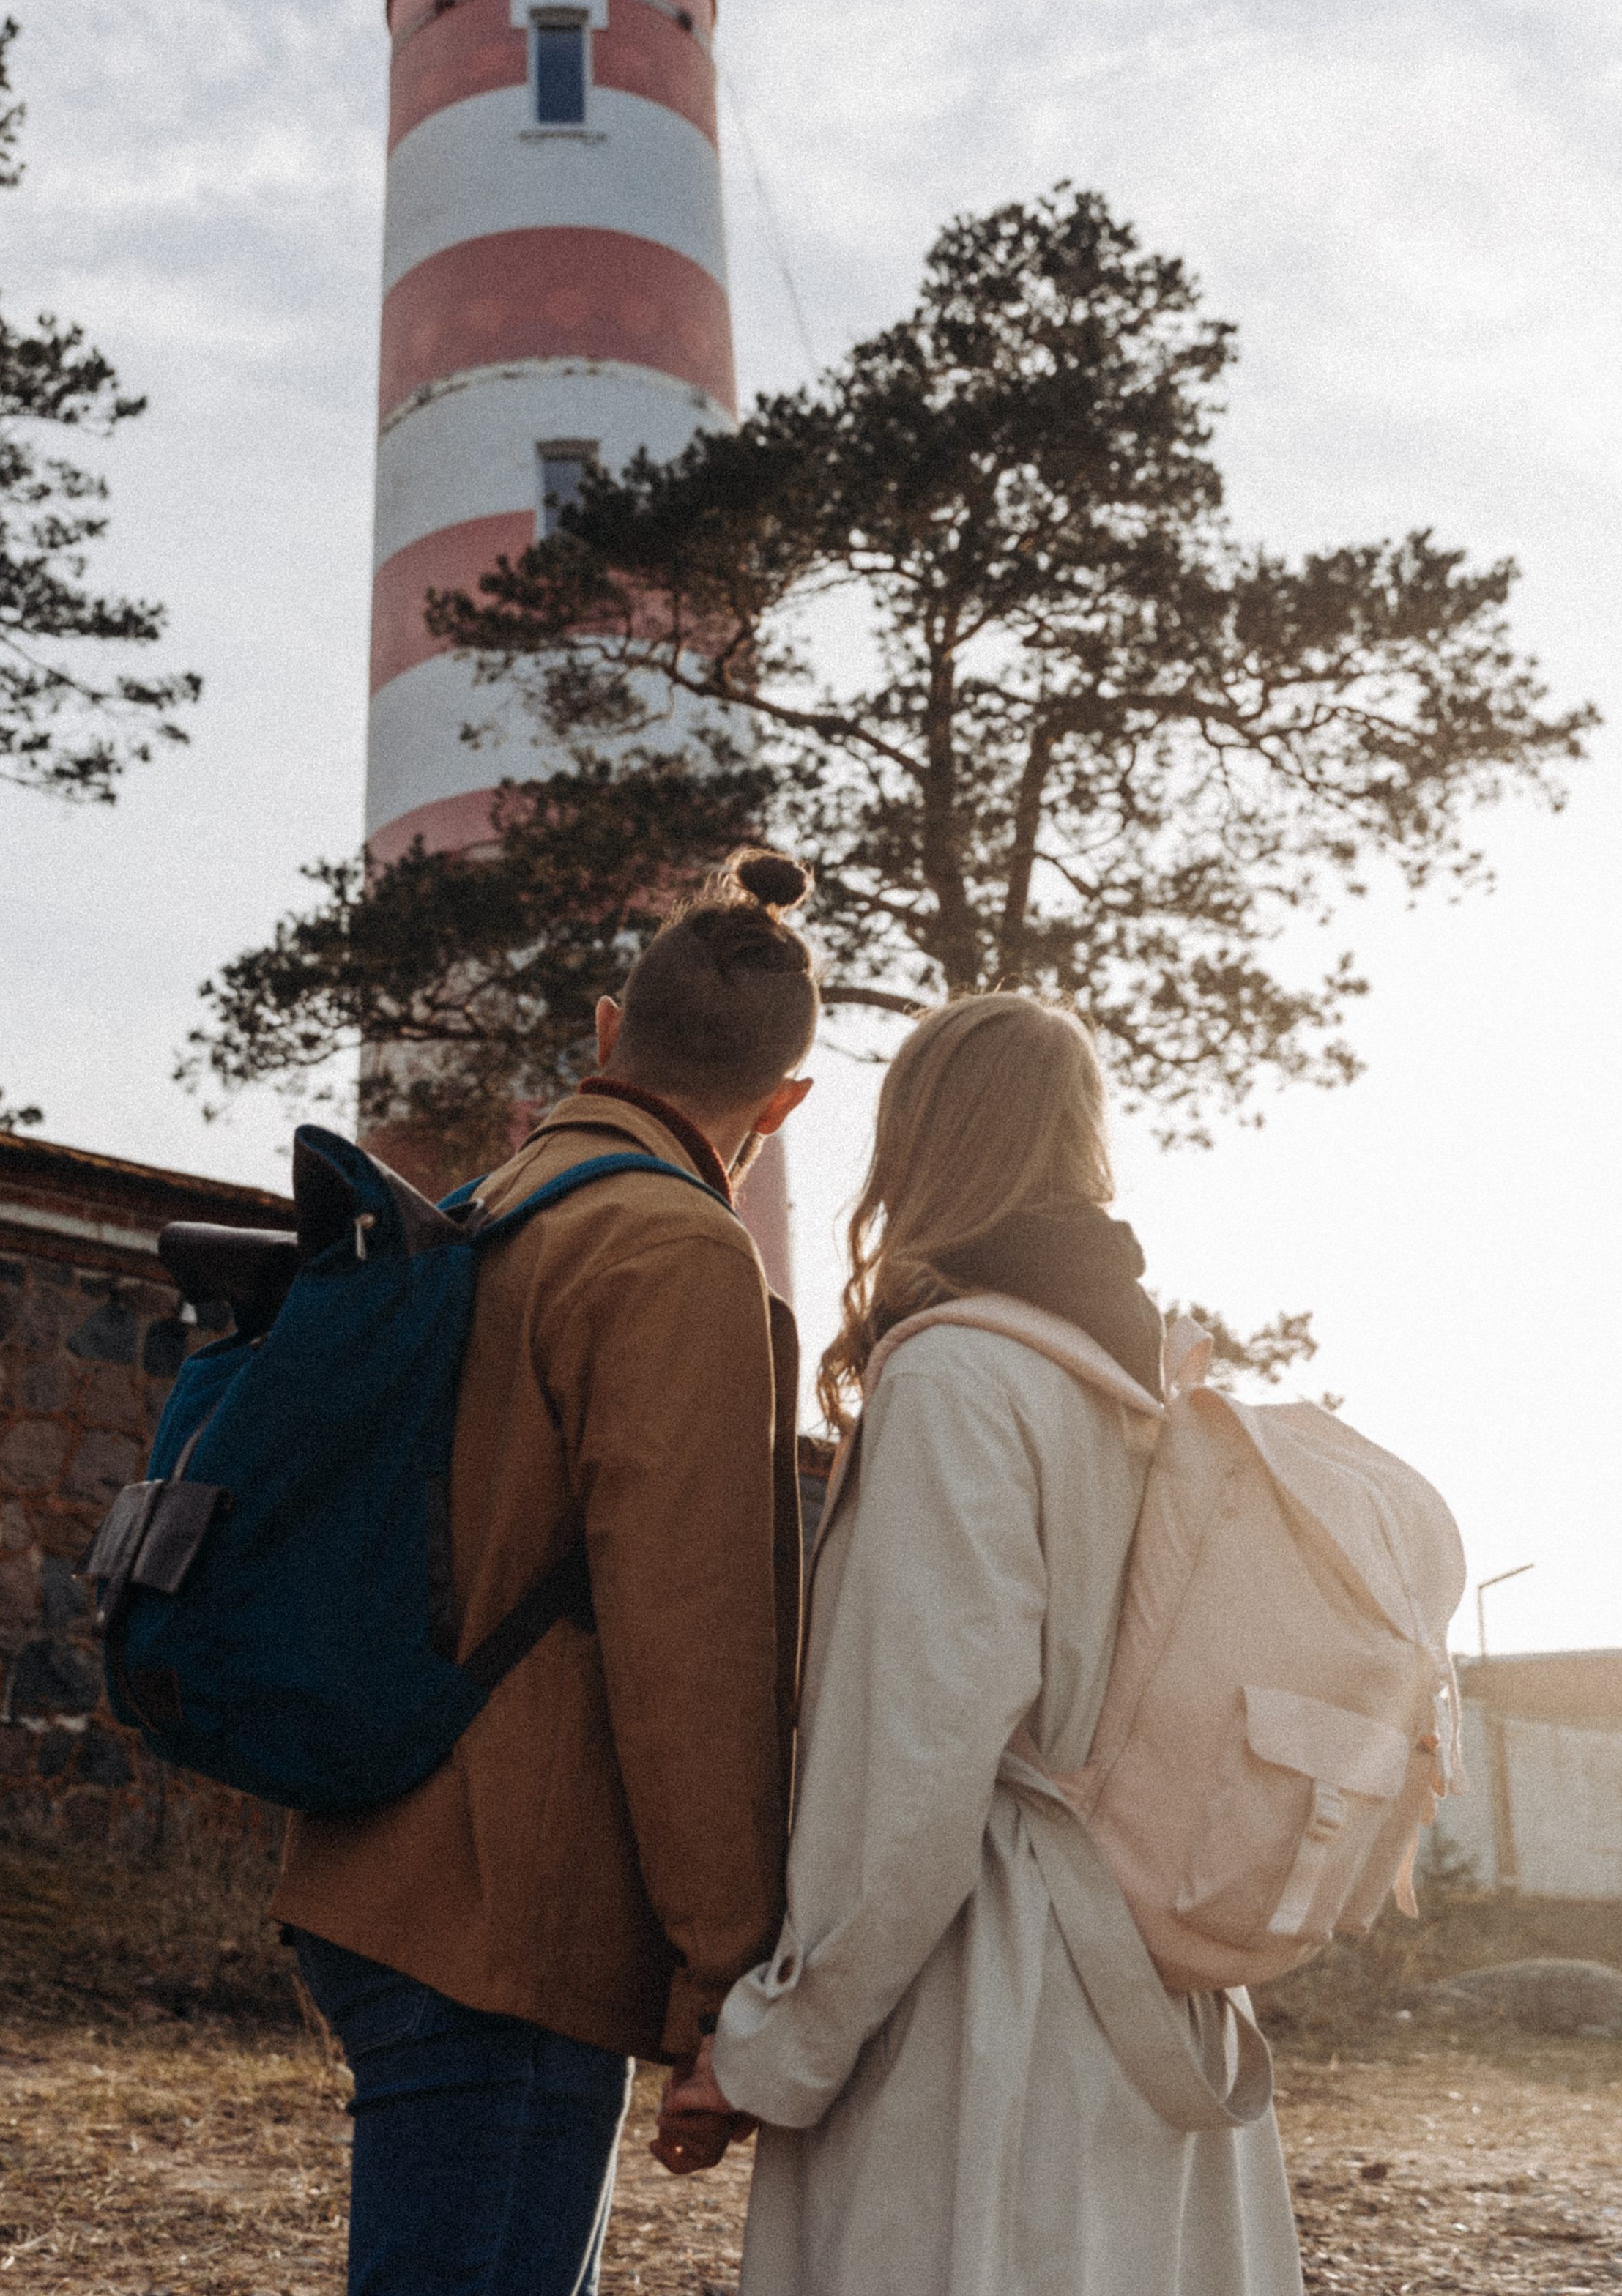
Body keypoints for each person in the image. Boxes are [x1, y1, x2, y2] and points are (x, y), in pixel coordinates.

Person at [655, 993, 1303, 2296]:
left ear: (919, 1148)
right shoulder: (1148, 1390)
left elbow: (913, 1772)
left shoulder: (958, 1381)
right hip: (1145, 1998)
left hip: (993, 2010)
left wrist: (770, 2045)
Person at [274, 850, 819, 2296]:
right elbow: (688, 1651)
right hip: (513, 1918)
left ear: (600, 1033)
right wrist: (725, 1969)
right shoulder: (676, 1255)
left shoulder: (487, 1203)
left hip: (378, 1858)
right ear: (784, 1106)